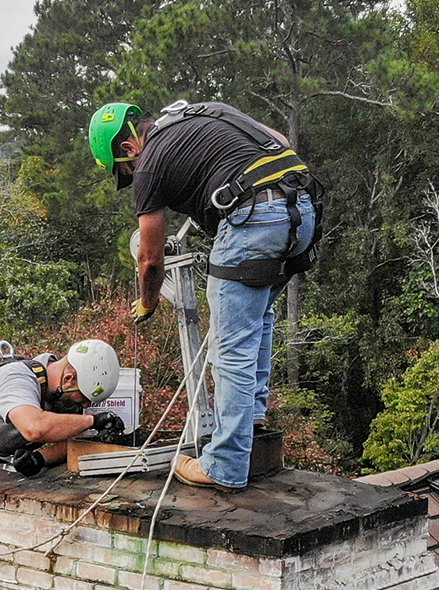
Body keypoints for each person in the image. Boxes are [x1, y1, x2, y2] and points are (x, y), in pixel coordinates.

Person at [91, 100, 318, 493]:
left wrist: (147, 301)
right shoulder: (198, 113)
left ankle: (225, 465)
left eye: (124, 171)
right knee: (258, 318)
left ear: (128, 148)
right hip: (303, 208)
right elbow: (278, 141)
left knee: (229, 351)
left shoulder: (148, 163)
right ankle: (252, 417)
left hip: (253, 219)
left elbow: (149, 258)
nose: (132, 176)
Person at [0, 339, 128, 485]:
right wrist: (93, 421)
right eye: (83, 399)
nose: (84, 407)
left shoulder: (54, 390)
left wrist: (41, 458)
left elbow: (76, 440)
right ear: (68, 378)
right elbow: (35, 428)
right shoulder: (18, 381)